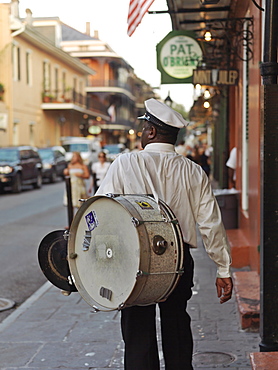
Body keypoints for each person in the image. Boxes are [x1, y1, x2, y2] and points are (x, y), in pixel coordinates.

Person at [96, 98, 233, 370]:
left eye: (144, 126)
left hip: (135, 259)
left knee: (137, 330)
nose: (142, 131)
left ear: (152, 132)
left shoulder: (124, 163)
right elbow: (210, 223)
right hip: (178, 259)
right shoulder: (193, 171)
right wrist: (223, 269)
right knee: (177, 324)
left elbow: (102, 212)